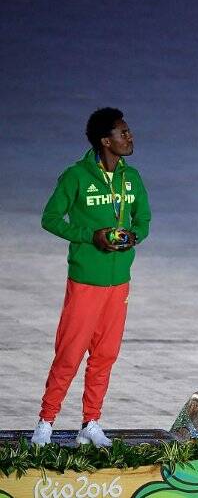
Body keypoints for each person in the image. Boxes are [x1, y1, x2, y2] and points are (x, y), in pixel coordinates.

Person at [30, 108, 151, 446]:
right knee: (69, 354)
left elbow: (145, 219)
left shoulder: (132, 178)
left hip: (119, 283)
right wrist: (90, 236)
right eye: (122, 133)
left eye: (127, 132)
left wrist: (133, 235)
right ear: (105, 141)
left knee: (105, 355)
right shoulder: (76, 176)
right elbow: (50, 219)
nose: (129, 137)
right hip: (86, 282)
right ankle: (45, 422)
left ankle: (91, 422)